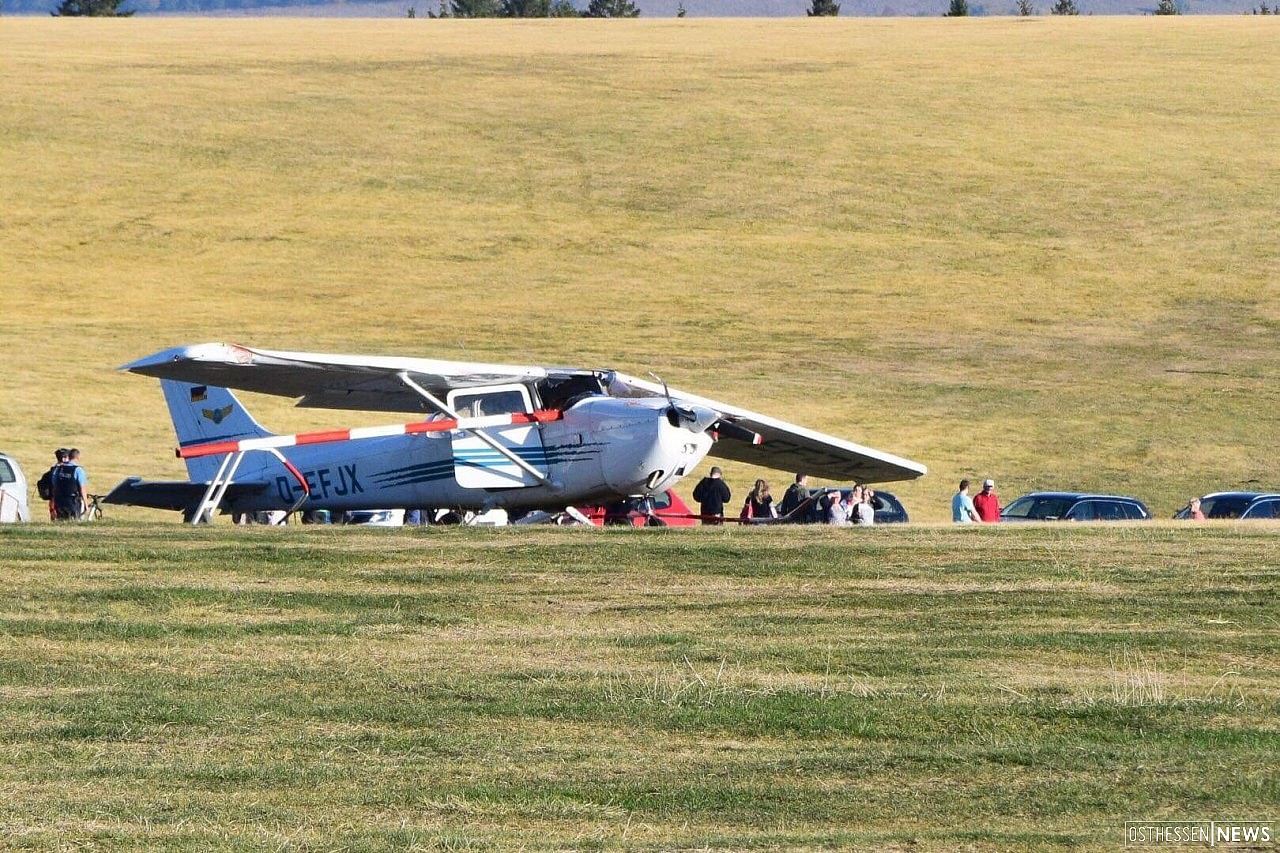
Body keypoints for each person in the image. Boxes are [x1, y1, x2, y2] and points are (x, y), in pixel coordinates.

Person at [51, 447, 87, 521]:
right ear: (77, 457)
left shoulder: (59, 468)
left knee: (61, 520)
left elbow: (54, 483)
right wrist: (86, 504)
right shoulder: (78, 470)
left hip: (60, 500)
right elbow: (82, 488)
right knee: (75, 520)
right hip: (73, 501)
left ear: (69, 456)